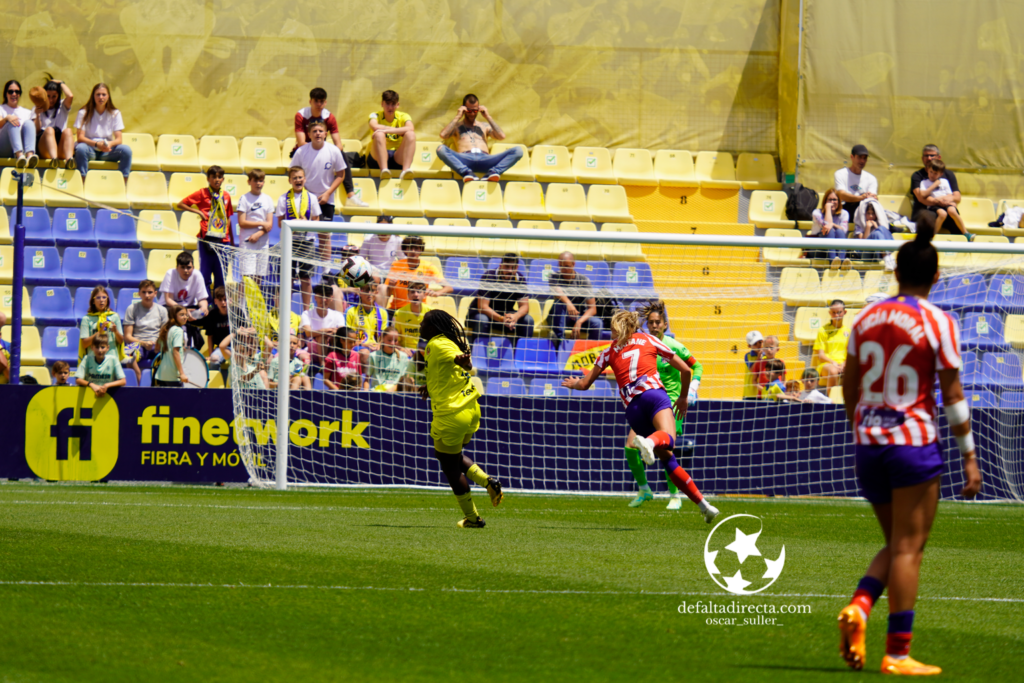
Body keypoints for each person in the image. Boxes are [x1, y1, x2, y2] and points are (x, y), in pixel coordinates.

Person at [836, 214, 981, 675]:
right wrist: (970, 458)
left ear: (896, 271)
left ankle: (860, 607)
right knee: (907, 548)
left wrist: (861, 426)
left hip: (869, 443)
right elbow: (953, 396)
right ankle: (897, 653)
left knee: (895, 542)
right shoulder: (937, 321)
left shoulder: (867, 317)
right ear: (936, 275)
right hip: (912, 442)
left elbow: (849, 384)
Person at [563, 309, 719, 523]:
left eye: (611, 330)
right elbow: (686, 370)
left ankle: (704, 506)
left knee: (667, 459)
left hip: (632, 410)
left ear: (618, 329)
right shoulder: (648, 339)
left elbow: (584, 383)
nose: (610, 335)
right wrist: (683, 397)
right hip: (654, 396)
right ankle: (650, 442)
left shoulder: (608, 351)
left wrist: (574, 384)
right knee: (669, 440)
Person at [418, 309, 503, 528]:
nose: (420, 326)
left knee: (448, 465)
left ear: (433, 328)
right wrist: (431, 385)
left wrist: (463, 362)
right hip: (470, 409)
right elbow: (449, 368)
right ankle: (487, 482)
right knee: (453, 457)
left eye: (424, 323)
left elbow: (460, 363)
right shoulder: (446, 341)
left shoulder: (437, 344)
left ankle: (473, 518)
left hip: (452, 414)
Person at [623, 302, 704, 510]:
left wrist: (692, 389)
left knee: (666, 450)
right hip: (649, 402)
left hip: (672, 404)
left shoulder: (673, 346)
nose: (654, 326)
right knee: (630, 446)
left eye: (658, 322)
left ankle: (675, 495)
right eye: (650, 323)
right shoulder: (643, 346)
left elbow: (696, 365)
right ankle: (644, 489)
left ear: (665, 324)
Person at [292, 87, 366, 208]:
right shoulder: (301, 115)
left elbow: (339, 144)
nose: (319, 104)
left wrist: (331, 153)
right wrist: (316, 149)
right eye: (316, 101)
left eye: (322, 101)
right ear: (310, 101)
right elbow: (301, 142)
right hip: (304, 149)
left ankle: (351, 195)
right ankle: (301, 195)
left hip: (321, 149)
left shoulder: (329, 117)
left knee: (341, 154)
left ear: (325, 102)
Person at [437, 94, 522, 182]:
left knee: (518, 151)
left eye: (475, 110)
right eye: (469, 110)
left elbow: (501, 136)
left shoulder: (484, 126)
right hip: (465, 158)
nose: (472, 113)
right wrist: (457, 116)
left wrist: (488, 117)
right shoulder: (457, 127)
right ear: (464, 109)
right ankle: (466, 172)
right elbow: (443, 135)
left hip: (485, 158)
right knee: (441, 149)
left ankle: (493, 172)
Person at [178, 164, 234, 292]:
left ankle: (219, 307)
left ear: (223, 179)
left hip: (223, 241)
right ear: (208, 179)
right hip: (206, 239)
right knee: (205, 276)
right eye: (213, 177)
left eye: (220, 177)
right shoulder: (202, 193)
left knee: (221, 277)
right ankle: (206, 305)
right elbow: (181, 204)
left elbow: (228, 217)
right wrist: (198, 212)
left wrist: (230, 239)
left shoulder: (226, 196)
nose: (217, 179)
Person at [276, 167, 324, 309]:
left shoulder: (312, 198)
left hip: (307, 242)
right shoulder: (283, 198)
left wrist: (305, 224)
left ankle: (306, 310)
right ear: (290, 180)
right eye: (295, 178)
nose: (298, 180)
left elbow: (317, 221)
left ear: (305, 178)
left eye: (300, 177)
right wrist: (293, 225)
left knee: (306, 278)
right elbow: (279, 223)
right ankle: (286, 311)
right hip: (289, 242)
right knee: (287, 278)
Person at [289, 119, 347, 223]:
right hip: (305, 198)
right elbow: (292, 173)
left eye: (320, 131)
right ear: (309, 134)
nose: (318, 133)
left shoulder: (334, 151)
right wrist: (304, 193)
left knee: (324, 234)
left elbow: (340, 175)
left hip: (326, 200)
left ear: (326, 134)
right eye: (314, 131)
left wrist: (328, 193)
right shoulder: (301, 151)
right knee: (302, 232)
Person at [471, 252, 534, 342]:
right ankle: (477, 353)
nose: (509, 271)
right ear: (500, 266)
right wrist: (501, 319)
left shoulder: (520, 279)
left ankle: (520, 353)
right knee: (482, 319)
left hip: (505, 315)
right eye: (507, 267)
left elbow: (524, 306)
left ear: (517, 268)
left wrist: (515, 316)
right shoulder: (488, 276)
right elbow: (482, 307)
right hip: (482, 315)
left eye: (513, 268)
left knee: (528, 320)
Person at [73, 83, 131, 180]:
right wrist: (96, 144)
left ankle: (123, 182)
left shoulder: (115, 113)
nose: (101, 97)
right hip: (90, 149)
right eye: (98, 94)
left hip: (107, 151)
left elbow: (119, 139)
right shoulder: (83, 112)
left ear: (108, 96)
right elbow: (80, 138)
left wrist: (109, 144)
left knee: (126, 150)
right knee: (80, 148)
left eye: (104, 94)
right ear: (93, 96)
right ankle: (82, 180)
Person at [384, 235, 451, 311]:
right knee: (382, 287)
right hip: (397, 309)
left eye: (416, 248)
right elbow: (387, 291)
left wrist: (437, 293)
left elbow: (448, 288)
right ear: (405, 250)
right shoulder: (396, 265)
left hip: (418, 310)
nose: (413, 251)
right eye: (410, 248)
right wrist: (390, 286)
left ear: (421, 250)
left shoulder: (428, 266)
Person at [549, 251, 603, 343]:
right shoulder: (554, 277)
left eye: (566, 266)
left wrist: (579, 322)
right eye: (561, 266)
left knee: (597, 323)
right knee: (558, 303)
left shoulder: (584, 280)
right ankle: (561, 344)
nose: (563, 269)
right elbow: (558, 292)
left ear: (573, 264)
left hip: (578, 317)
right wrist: (569, 304)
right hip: (560, 317)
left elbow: (593, 309)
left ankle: (589, 351)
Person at [159, 251, 209, 349]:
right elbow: (168, 300)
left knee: (212, 314)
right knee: (171, 313)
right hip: (170, 309)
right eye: (182, 267)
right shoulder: (170, 273)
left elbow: (202, 299)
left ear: (193, 267)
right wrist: (184, 312)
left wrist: (204, 308)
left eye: (189, 268)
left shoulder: (197, 275)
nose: (186, 271)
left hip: (189, 310)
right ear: (177, 268)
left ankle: (208, 348)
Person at [123, 279, 168, 384]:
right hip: (138, 344)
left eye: (150, 292)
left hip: (156, 344)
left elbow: (165, 333)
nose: (147, 295)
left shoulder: (162, 310)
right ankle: (138, 380)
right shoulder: (132, 308)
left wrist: (157, 343)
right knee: (127, 354)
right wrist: (143, 343)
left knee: (171, 352)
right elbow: (128, 337)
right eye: (143, 292)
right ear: (139, 293)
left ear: (155, 294)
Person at [236, 169, 275, 284]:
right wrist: (261, 223)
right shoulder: (244, 198)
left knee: (259, 277)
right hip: (248, 242)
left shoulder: (268, 199)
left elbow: (270, 224)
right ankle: (242, 302)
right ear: (249, 182)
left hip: (262, 243)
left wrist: (258, 234)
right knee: (247, 278)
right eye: (255, 181)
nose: (258, 183)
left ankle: (255, 302)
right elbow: (242, 222)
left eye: (261, 181)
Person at [368, 90, 416, 180]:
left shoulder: (403, 116)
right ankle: (384, 170)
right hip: (377, 158)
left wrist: (387, 130)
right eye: (387, 103)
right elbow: (374, 126)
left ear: (397, 105)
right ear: (382, 104)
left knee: (411, 135)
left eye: (393, 104)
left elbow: (411, 128)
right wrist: (398, 131)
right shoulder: (375, 115)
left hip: (397, 157)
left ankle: (405, 171)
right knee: (379, 134)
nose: (390, 107)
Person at [917, 159, 971, 240]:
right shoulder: (924, 182)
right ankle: (933, 235)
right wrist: (934, 186)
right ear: (928, 170)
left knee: (952, 211)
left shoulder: (944, 181)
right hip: (934, 205)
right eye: (931, 172)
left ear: (940, 174)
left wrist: (945, 200)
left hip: (946, 202)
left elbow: (949, 194)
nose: (932, 175)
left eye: (935, 173)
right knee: (942, 214)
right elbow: (923, 194)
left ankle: (965, 233)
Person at [299, 283, 346, 374]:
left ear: (332, 298)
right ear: (315, 297)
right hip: (312, 350)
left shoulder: (337, 315)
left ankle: (333, 362)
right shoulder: (307, 314)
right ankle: (323, 365)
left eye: (327, 297)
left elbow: (342, 332)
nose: (324, 300)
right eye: (321, 296)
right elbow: (308, 333)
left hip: (331, 346)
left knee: (332, 337)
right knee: (321, 336)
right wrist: (323, 331)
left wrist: (330, 333)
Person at [346, 283, 389, 376]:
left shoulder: (382, 312)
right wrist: (365, 344)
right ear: (359, 293)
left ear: (376, 292)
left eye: (372, 290)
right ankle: (366, 385)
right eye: (366, 290)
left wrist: (380, 345)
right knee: (365, 353)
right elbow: (349, 336)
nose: (369, 293)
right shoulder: (351, 311)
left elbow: (386, 335)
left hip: (377, 346)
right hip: (359, 346)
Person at [910, 144, 961, 222]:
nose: (929, 158)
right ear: (922, 158)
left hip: (945, 208)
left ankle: (965, 233)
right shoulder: (917, 176)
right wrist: (940, 202)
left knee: (954, 215)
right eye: (926, 156)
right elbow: (921, 198)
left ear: (939, 157)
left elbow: (957, 197)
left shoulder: (949, 174)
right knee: (929, 217)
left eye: (932, 155)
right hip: (925, 210)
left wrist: (946, 201)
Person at [31, 76, 74, 168]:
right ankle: (54, 160)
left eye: (54, 96)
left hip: (60, 146)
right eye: (48, 96)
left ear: (58, 95)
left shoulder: (63, 106)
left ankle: (69, 161)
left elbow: (70, 95)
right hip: (44, 145)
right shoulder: (37, 107)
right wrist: (37, 115)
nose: (51, 100)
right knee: (49, 130)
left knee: (68, 131)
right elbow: (37, 131)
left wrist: (60, 82)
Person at [79, 285, 124, 363]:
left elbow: (121, 341)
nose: (101, 300)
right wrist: (99, 332)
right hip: (93, 360)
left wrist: (115, 331)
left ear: (107, 300)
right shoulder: (86, 319)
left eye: (104, 297)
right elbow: (85, 344)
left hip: (112, 360)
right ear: (93, 301)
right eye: (98, 298)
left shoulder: (114, 316)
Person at [809, 188, 850, 268]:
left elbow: (844, 230)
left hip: (836, 247)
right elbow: (826, 226)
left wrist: (833, 224)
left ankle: (841, 261)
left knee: (840, 232)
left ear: (839, 201)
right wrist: (828, 209)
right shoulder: (816, 213)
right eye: (829, 200)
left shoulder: (844, 213)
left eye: (834, 199)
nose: (832, 202)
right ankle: (833, 262)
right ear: (825, 201)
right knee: (830, 231)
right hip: (818, 247)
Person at [1, 79, 37, 168]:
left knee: (29, 123)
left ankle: (29, 157)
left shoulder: (27, 112)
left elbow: (35, 131)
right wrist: (7, 118)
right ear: (6, 94)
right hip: (4, 147)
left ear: (19, 94)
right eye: (10, 91)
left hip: (22, 146)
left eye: (17, 92)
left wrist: (38, 115)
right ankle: (20, 156)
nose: (14, 94)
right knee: (12, 122)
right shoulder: (1, 108)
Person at [834, 144, 878, 218]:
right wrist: (861, 197)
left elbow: (873, 198)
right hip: (845, 210)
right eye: (859, 157)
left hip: (863, 211)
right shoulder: (840, 174)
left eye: (865, 158)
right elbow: (841, 195)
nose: (862, 161)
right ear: (852, 157)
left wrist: (872, 197)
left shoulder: (871, 178)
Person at [815, 299, 849, 392]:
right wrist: (833, 363)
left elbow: (851, 354)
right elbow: (820, 356)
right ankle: (832, 403)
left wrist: (844, 364)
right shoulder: (823, 330)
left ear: (845, 312)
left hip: (843, 365)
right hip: (826, 365)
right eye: (833, 313)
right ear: (830, 313)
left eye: (839, 312)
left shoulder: (849, 331)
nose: (836, 315)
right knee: (833, 371)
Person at [365, 326, 412, 391]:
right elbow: (367, 380)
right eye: (389, 340)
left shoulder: (403, 357)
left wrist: (393, 388)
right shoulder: (373, 356)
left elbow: (406, 380)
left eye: (395, 340)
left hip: (396, 395)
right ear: (383, 339)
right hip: (377, 394)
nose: (392, 343)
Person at [154, 305, 190, 387]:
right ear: (174, 316)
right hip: (173, 375)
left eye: (186, 314)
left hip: (163, 374)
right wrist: (182, 373)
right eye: (182, 314)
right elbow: (175, 352)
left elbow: (157, 348)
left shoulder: (166, 329)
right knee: (179, 400)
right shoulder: (178, 330)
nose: (185, 317)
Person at [194, 287, 231, 363]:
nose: (223, 302)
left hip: (237, 348)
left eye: (225, 299)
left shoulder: (237, 313)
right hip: (220, 349)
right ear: (215, 301)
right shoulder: (212, 315)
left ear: (230, 300)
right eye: (220, 300)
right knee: (214, 359)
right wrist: (211, 355)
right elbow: (210, 336)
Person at [394, 280, 431, 350]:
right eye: (412, 292)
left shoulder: (431, 312)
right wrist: (403, 350)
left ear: (424, 295)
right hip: (405, 352)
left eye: (419, 292)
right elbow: (394, 338)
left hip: (425, 351)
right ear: (408, 295)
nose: (415, 294)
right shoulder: (399, 314)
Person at [742, 330, 763, 400]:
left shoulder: (766, 355)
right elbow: (752, 369)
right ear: (749, 346)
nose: (758, 345)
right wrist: (758, 358)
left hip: (762, 391)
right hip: (750, 392)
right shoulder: (748, 356)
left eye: (760, 342)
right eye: (755, 344)